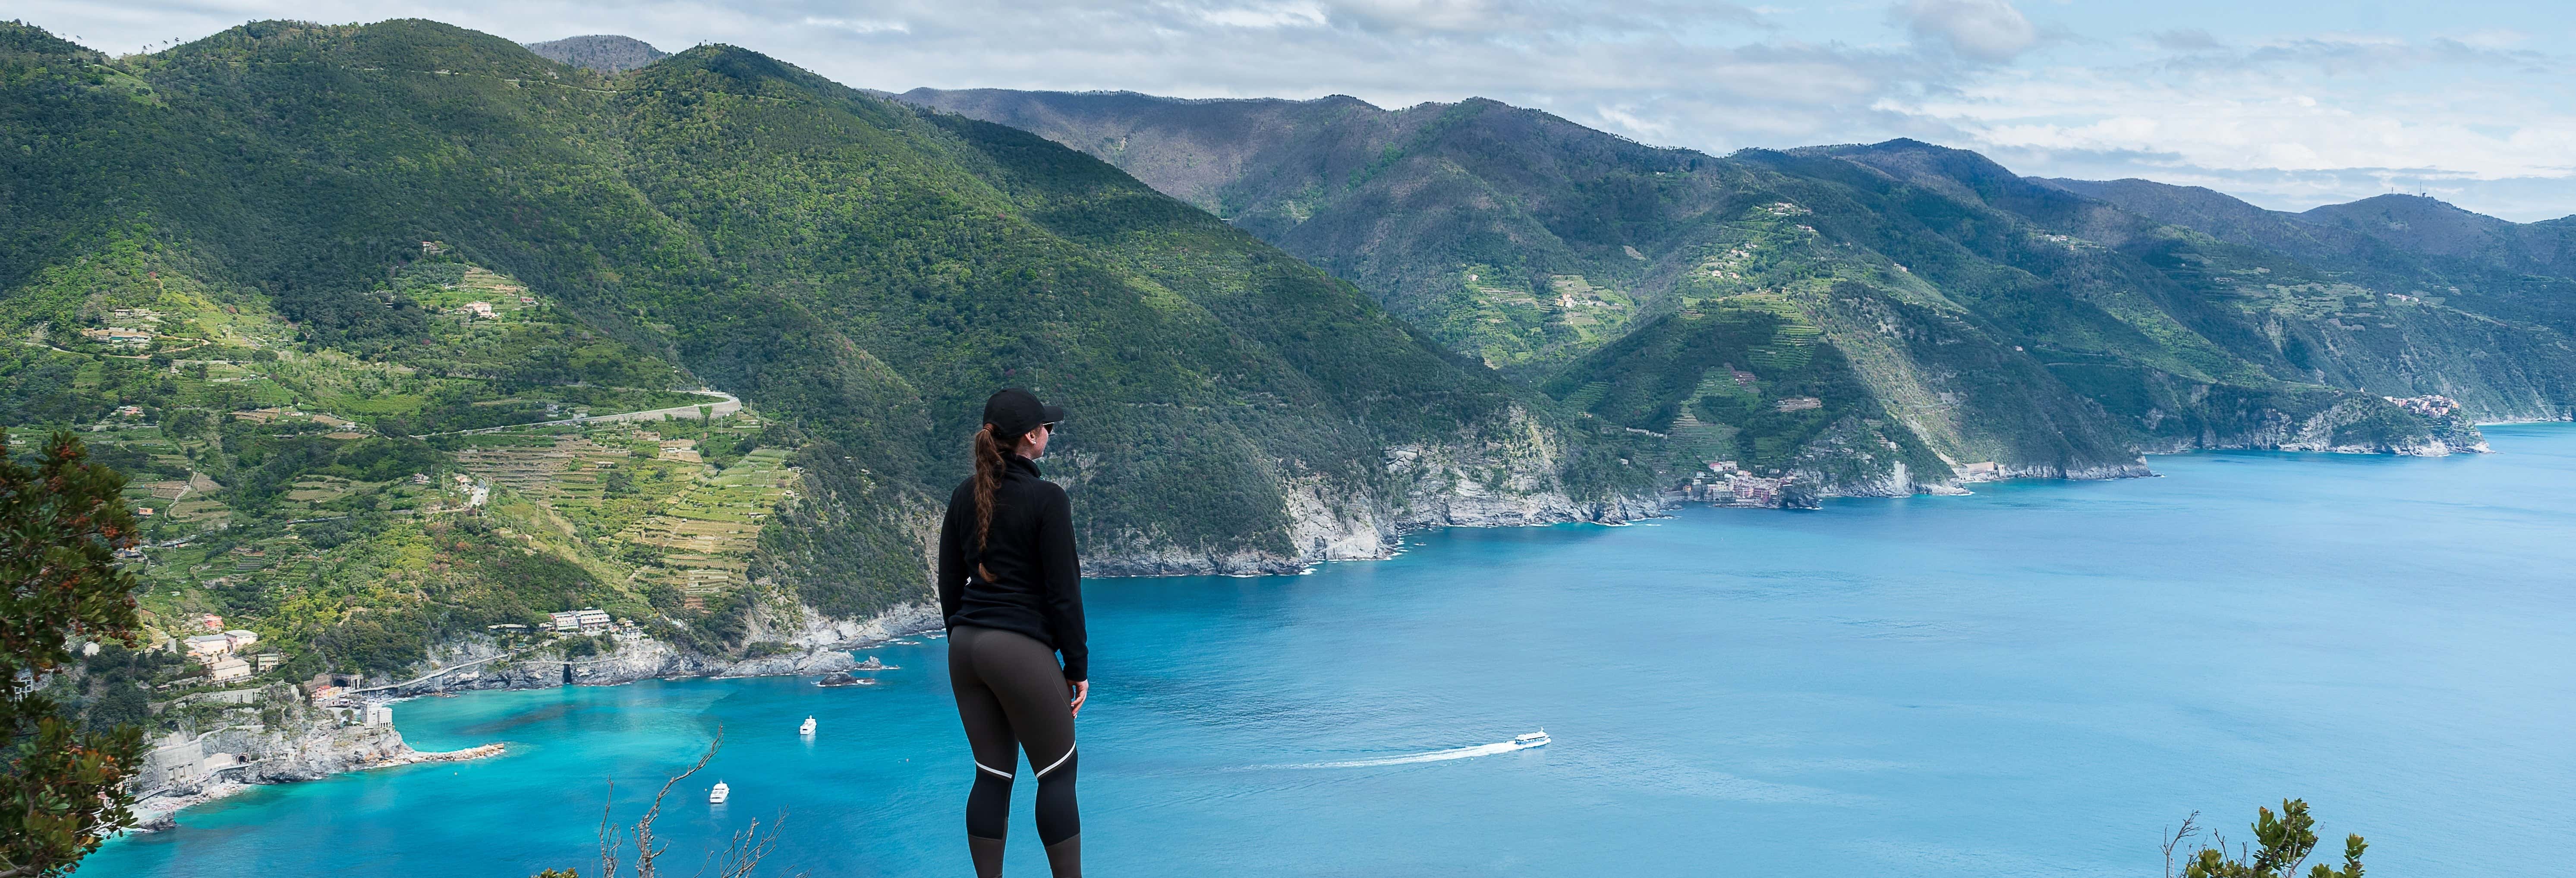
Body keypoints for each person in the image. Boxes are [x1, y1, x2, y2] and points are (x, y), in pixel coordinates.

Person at [938, 388, 1088, 878]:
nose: (1049, 432)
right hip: (1017, 649)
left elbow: (948, 584)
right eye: (1047, 426)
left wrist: (968, 644)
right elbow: (1065, 593)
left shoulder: (964, 495)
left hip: (966, 649)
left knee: (992, 774)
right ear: (1030, 437)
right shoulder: (1048, 499)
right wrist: (1077, 668)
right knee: (1057, 773)